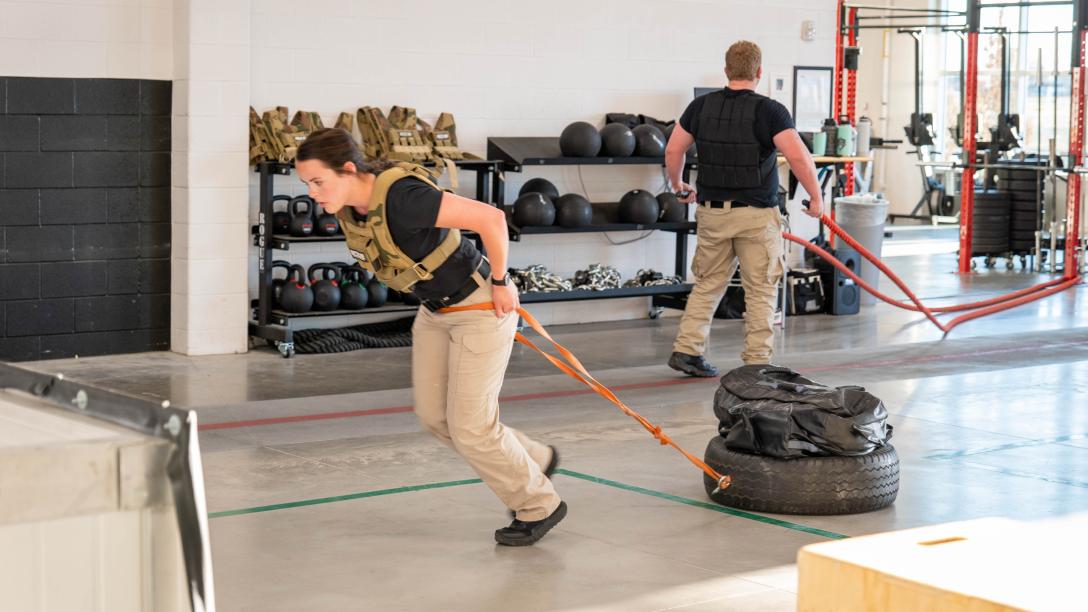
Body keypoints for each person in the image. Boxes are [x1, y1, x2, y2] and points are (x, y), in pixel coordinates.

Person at [295, 128, 566, 546]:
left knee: (472, 426)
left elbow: (491, 219)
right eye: (306, 184)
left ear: (348, 170)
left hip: (479, 307)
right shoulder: (357, 208)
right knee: (435, 418)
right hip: (435, 311)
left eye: (318, 181)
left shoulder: (403, 197)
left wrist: (501, 282)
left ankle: (538, 504)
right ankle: (535, 458)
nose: (313, 193)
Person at [665, 40, 824, 377]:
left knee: (708, 282)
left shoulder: (700, 107)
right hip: (756, 216)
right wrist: (816, 197)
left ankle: (687, 351)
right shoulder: (770, 110)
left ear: (726, 71)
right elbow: (798, 157)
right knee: (761, 287)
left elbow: (673, 150)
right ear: (759, 72)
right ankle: (757, 361)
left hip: (711, 212)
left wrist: (679, 185)